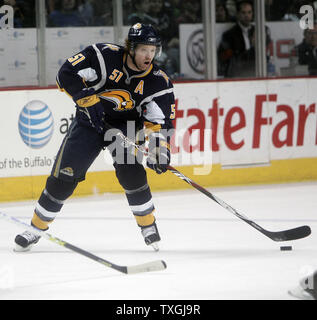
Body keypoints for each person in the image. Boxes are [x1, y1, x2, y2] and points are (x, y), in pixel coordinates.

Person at [14, 23, 175, 252]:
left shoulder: (158, 82)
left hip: (126, 127)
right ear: (131, 47)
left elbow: (159, 122)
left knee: (131, 174)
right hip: (89, 122)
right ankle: (35, 229)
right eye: (143, 49)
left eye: (152, 50)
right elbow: (66, 74)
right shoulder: (103, 56)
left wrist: (160, 149)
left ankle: (148, 226)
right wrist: (87, 99)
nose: (148, 55)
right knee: (64, 177)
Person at [217, 0, 272, 78]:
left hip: (256, 74)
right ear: (238, 14)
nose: (247, 15)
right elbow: (224, 58)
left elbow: (266, 56)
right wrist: (252, 48)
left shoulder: (258, 32)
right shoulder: (229, 35)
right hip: (237, 77)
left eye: (249, 12)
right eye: (243, 12)